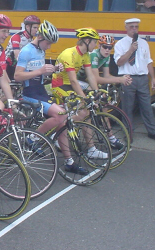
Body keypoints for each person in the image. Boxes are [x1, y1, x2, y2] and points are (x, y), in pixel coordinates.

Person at [14, 20, 90, 175]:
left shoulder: (41, 51)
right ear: (40, 37)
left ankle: (69, 162)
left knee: (63, 121)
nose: (49, 47)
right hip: (30, 93)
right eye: (48, 43)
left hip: (40, 91)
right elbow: (17, 76)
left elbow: (41, 72)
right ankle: (32, 138)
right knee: (60, 114)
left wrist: (54, 69)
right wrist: (41, 71)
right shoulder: (27, 50)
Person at [51, 27, 110, 160]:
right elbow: (73, 80)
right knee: (82, 109)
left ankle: (91, 149)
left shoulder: (86, 55)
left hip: (70, 85)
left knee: (86, 111)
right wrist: (84, 98)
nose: (96, 45)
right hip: (59, 85)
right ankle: (58, 132)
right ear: (87, 41)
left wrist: (96, 93)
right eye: (95, 42)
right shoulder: (69, 54)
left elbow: (90, 76)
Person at [114, 18, 155, 144]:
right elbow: (119, 62)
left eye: (136, 27)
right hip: (128, 79)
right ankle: (128, 133)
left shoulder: (143, 43)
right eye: (131, 27)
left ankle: (152, 132)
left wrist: (153, 78)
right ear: (126, 28)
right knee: (128, 107)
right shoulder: (120, 44)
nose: (134, 29)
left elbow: (148, 61)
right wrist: (130, 50)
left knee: (147, 106)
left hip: (142, 78)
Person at [5, 15, 41, 80]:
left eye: (37, 28)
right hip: (9, 66)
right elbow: (17, 56)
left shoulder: (31, 39)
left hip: (18, 66)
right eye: (35, 28)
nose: (36, 30)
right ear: (27, 27)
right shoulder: (17, 36)